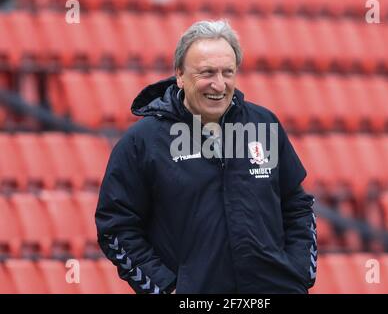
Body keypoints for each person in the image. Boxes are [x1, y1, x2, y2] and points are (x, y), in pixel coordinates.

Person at [95, 20, 317, 294]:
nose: (219, 84)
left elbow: (297, 205)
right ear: (180, 74)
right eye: (207, 73)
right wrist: (166, 288)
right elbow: (116, 227)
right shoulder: (143, 142)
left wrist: (298, 272)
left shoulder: (263, 125)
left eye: (228, 72)